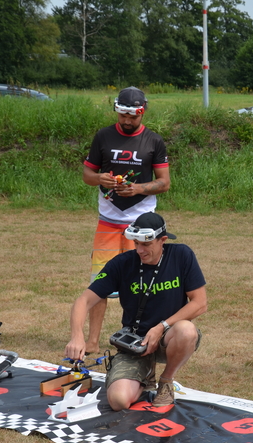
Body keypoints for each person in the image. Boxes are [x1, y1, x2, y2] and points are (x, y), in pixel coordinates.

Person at [65, 212, 207, 409]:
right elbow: (84, 300)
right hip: (134, 343)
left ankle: (166, 382)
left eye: (146, 244)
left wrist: (161, 327)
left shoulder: (182, 255)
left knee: (187, 330)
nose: (139, 250)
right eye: (136, 243)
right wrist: (77, 336)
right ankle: (144, 375)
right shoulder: (122, 263)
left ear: (162, 240)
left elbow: (200, 303)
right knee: (118, 401)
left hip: (169, 335)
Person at [81, 86, 171, 355]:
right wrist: (100, 179)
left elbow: (164, 183)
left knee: (144, 283)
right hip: (108, 221)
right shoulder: (103, 136)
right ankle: (93, 341)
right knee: (100, 282)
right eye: (122, 115)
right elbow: (88, 175)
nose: (127, 121)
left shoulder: (154, 141)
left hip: (141, 225)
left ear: (143, 112)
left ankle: (143, 336)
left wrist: (139, 189)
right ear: (116, 110)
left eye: (133, 117)